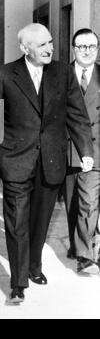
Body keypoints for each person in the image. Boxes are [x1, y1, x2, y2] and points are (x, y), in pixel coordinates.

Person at [0, 23, 94, 304]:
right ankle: (18, 282)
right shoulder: (5, 73)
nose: (50, 48)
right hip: (15, 160)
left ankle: (34, 266)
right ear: (25, 48)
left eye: (50, 43)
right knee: (17, 221)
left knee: (40, 220)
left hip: (51, 160)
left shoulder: (62, 72)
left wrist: (85, 150)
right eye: (42, 44)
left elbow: (77, 114)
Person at [64, 28, 100, 274]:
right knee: (72, 204)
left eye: (91, 46)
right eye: (81, 46)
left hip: (95, 150)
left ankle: (86, 256)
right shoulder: (60, 75)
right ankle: (77, 246)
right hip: (67, 150)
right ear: (73, 49)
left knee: (88, 201)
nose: (86, 51)